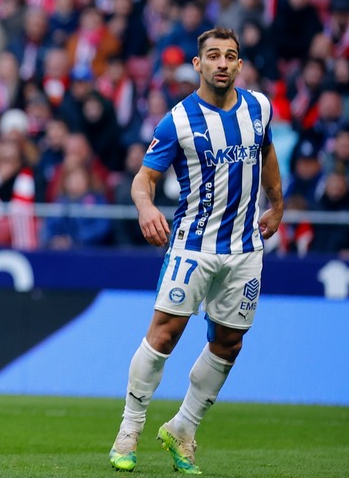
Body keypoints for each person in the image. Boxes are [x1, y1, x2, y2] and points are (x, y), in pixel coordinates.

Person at [109, 28, 284, 475]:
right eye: (213, 56)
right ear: (198, 65)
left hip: (246, 249)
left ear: (240, 65)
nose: (222, 63)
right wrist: (146, 207)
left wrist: (277, 202)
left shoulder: (259, 107)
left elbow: (267, 152)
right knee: (164, 332)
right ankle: (129, 430)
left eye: (230, 56)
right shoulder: (178, 121)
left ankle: (183, 428)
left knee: (229, 341)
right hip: (193, 245)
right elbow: (143, 179)